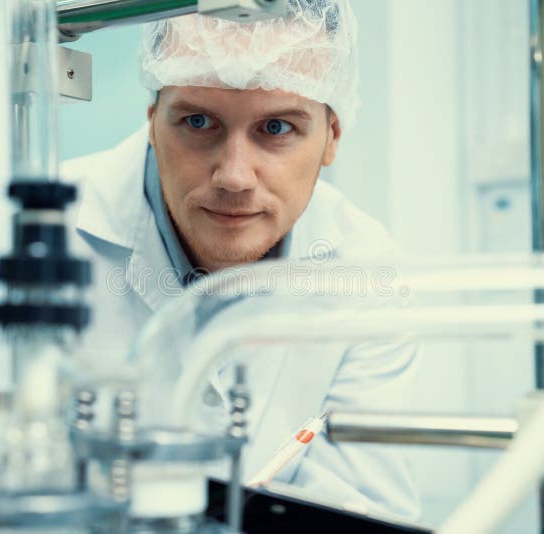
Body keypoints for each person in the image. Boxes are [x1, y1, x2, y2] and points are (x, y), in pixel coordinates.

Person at [62, 0, 420, 521]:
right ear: (152, 123)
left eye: (276, 128)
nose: (234, 176)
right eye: (199, 121)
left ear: (331, 137)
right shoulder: (46, 231)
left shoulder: (369, 274)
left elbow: (366, 512)